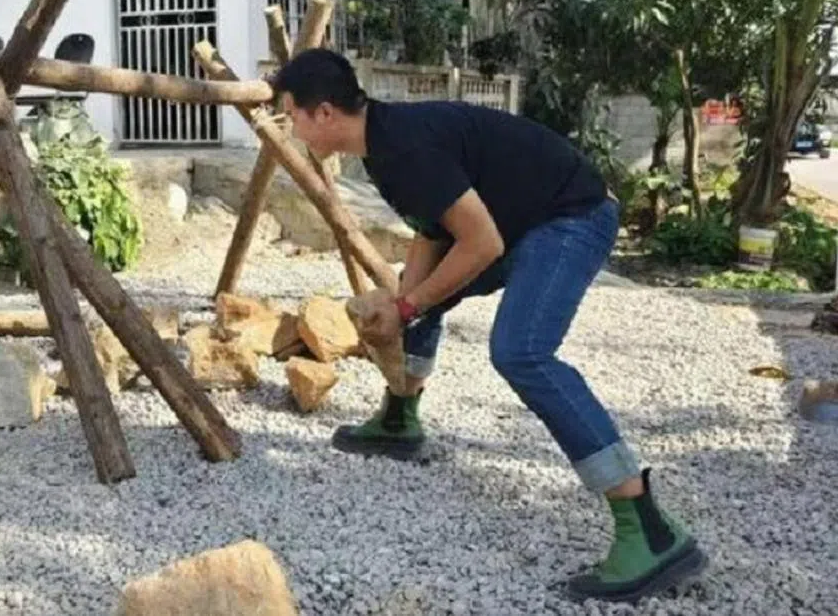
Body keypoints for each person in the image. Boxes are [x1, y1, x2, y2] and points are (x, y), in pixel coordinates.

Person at [270, 48, 707, 604]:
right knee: (420, 293)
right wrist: (406, 305)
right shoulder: (380, 142)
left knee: (521, 352)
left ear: (325, 113)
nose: (292, 128)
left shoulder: (403, 147)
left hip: (570, 216)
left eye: (293, 114)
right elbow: (433, 231)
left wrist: (405, 309)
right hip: (519, 221)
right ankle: (400, 419)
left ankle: (648, 528)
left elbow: (481, 243)